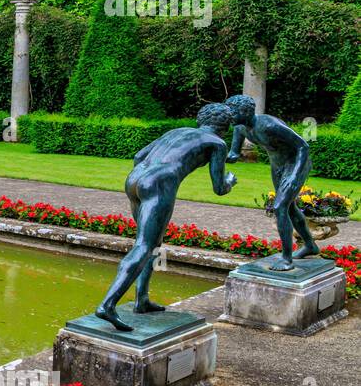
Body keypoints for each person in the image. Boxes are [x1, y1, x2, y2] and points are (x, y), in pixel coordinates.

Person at [95, 103, 238, 331]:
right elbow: (219, 188)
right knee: (144, 246)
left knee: (152, 244)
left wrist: (145, 180)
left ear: (201, 119)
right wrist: (230, 180)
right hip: (160, 182)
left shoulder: (177, 131)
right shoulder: (217, 143)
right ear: (225, 126)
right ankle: (107, 305)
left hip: (135, 179)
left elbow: (139, 155)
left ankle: (142, 299)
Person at [225, 94, 318, 270]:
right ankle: (310, 246)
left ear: (245, 111)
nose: (230, 116)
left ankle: (286, 259)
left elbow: (303, 146)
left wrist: (293, 176)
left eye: (233, 112)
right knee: (289, 207)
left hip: (296, 163)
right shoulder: (240, 127)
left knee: (280, 207)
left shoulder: (269, 125)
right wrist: (213, 153)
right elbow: (233, 155)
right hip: (277, 165)